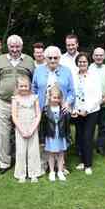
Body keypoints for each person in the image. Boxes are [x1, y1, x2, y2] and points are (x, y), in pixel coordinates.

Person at [32, 46, 75, 174]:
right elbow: (33, 89)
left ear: (59, 58)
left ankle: (61, 165)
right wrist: (34, 106)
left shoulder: (66, 71)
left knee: (61, 135)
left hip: (60, 110)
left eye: (55, 57)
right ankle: (45, 164)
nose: (52, 60)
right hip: (43, 110)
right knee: (45, 136)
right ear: (45, 58)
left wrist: (67, 103)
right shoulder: (38, 70)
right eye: (49, 57)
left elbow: (72, 91)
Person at [0, 34, 35, 174]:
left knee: (23, 132)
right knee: (3, 133)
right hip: (3, 102)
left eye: (17, 46)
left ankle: (22, 161)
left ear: (21, 47)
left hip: (22, 103)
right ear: (8, 46)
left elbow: (33, 82)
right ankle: (4, 163)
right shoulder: (0, 59)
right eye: (12, 46)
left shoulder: (29, 60)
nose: (14, 49)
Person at [72, 52, 102, 175]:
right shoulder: (73, 76)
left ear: (88, 63)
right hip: (78, 112)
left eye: (84, 61)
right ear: (77, 64)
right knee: (79, 137)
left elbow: (98, 96)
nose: (82, 64)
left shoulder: (94, 76)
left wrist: (87, 110)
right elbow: (71, 94)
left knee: (87, 137)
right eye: (80, 62)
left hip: (91, 112)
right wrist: (74, 110)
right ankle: (82, 162)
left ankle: (88, 164)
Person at [11, 75, 43, 183]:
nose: (24, 88)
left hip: (32, 126)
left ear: (29, 86)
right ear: (17, 87)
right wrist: (21, 130)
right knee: (20, 151)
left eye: (26, 86)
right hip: (20, 127)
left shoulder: (35, 97)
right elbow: (14, 116)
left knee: (33, 150)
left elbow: (38, 114)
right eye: (21, 86)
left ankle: (34, 173)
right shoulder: (15, 99)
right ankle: (21, 174)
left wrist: (33, 128)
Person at [42, 85, 71, 181]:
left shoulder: (63, 110)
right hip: (51, 135)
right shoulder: (46, 110)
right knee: (51, 154)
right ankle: (51, 172)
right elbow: (43, 124)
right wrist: (42, 137)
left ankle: (60, 171)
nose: (56, 100)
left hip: (61, 135)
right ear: (49, 97)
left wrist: (68, 136)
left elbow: (67, 124)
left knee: (61, 153)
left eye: (58, 98)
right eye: (54, 97)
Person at [88, 47, 105, 155]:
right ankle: (88, 145)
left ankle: (100, 146)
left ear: (104, 56)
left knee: (103, 126)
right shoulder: (88, 68)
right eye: (96, 55)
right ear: (93, 56)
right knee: (90, 126)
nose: (98, 57)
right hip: (92, 104)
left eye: (101, 55)